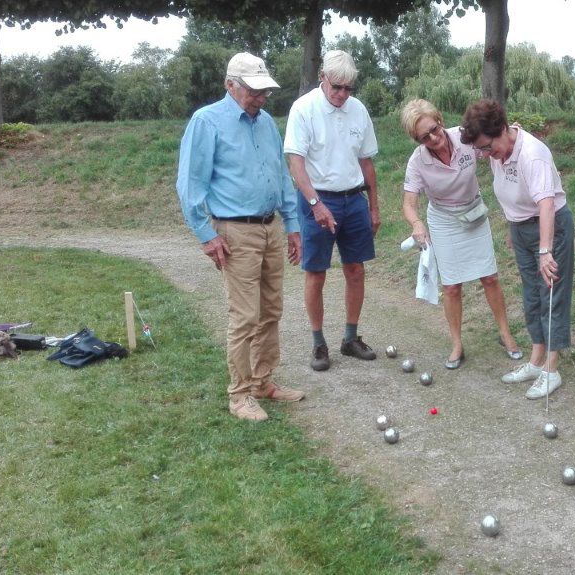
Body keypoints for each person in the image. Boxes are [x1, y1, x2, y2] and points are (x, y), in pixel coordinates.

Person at [176, 52, 306, 422]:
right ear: (230, 85)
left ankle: (263, 381)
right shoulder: (206, 121)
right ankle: (239, 394)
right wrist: (206, 235)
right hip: (235, 230)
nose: (261, 98)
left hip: (270, 227)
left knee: (271, 309)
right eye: (254, 91)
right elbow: (190, 183)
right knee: (245, 314)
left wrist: (292, 224)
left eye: (265, 91)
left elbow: (280, 176)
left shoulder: (266, 123)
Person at [460, 99, 575, 400]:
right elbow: (509, 190)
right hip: (522, 228)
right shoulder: (499, 149)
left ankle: (552, 368)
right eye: (481, 150)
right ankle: (536, 360)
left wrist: (545, 251)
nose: (486, 155)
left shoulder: (532, 154)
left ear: (501, 129)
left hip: (550, 227)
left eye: (487, 147)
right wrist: (515, 227)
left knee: (551, 295)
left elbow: (546, 204)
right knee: (532, 295)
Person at [399, 99, 523, 369]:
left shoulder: (465, 138)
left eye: (435, 129)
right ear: (417, 140)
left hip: (473, 212)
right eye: (424, 137)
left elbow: (494, 145)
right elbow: (409, 204)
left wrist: (512, 133)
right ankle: (457, 343)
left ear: (440, 120)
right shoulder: (417, 162)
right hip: (443, 220)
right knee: (452, 286)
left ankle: (505, 334)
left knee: (490, 277)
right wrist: (417, 223)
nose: (434, 138)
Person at [284, 50, 379, 372]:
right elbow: (296, 164)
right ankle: (318, 342)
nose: (342, 94)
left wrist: (374, 208)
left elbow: (367, 162)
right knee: (316, 272)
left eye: (348, 88)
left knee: (356, 269)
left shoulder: (358, 110)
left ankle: (350, 338)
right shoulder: (304, 108)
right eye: (336, 87)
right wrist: (316, 204)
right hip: (317, 197)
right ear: (322, 77)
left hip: (354, 199)